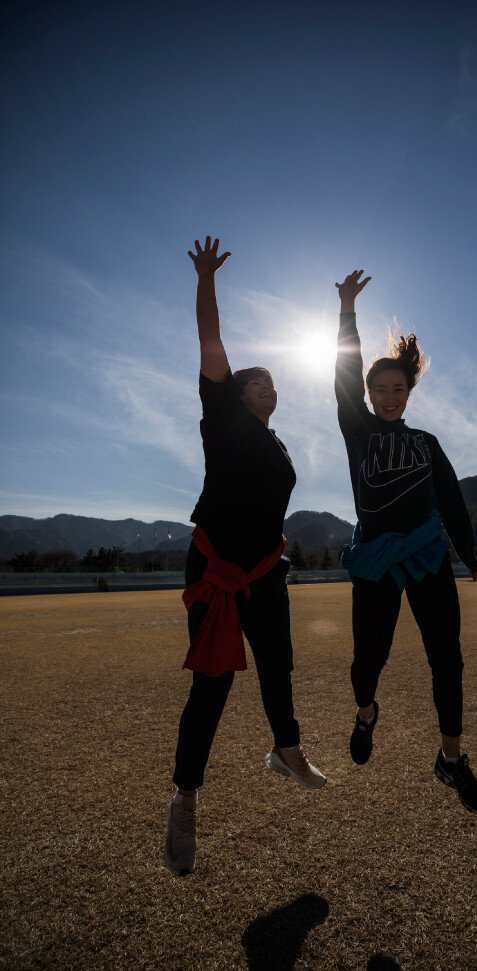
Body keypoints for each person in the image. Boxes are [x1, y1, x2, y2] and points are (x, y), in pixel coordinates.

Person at [164, 236, 326, 878]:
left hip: (266, 570)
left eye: (275, 385)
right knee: (213, 686)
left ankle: (285, 749)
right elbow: (210, 341)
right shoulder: (220, 417)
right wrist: (207, 281)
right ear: (237, 392)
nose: (271, 389)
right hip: (217, 569)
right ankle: (184, 799)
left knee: (278, 665)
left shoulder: (278, 446)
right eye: (260, 383)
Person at [334, 269, 477, 815]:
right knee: (367, 662)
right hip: (377, 558)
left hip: (427, 555)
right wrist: (347, 309)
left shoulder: (426, 442)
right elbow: (344, 373)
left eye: (398, 389)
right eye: (379, 390)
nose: (388, 397)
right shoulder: (358, 431)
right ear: (369, 395)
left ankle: (451, 761)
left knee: (447, 658)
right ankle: (366, 712)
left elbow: (451, 499)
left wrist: (468, 553)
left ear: (410, 390)